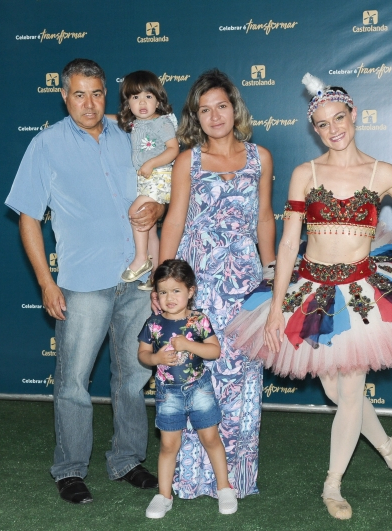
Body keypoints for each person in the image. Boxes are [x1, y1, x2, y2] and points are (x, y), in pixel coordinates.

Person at [227, 73, 392, 521]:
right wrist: (275, 310)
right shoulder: (306, 173)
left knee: (351, 391)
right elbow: (287, 244)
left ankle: (332, 484)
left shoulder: (383, 173)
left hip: (361, 294)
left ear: (354, 115)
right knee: (336, 391)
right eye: (322, 123)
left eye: (339, 118)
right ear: (314, 129)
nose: (333, 128)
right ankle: (388, 447)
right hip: (311, 291)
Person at [5, 58, 165, 504]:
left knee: (133, 376)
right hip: (82, 282)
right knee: (73, 382)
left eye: (96, 93)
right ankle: (70, 469)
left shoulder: (132, 134)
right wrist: (46, 282)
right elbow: (28, 218)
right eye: (79, 94)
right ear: (64, 96)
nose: (89, 104)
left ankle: (127, 460)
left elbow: (159, 186)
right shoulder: (46, 145)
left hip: (137, 278)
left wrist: (158, 207)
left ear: (105, 93)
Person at [158, 69, 276, 500]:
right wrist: (163, 282)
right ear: (196, 117)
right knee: (195, 371)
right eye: (204, 110)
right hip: (197, 279)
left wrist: (270, 274)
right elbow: (174, 220)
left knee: (241, 372)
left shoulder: (260, 157)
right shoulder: (186, 161)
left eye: (221, 106)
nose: (215, 116)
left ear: (234, 108)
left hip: (244, 280)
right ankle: (191, 477)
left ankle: (235, 479)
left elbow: (264, 218)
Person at [138, 259, 237, 518]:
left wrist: (188, 345)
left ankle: (224, 488)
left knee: (211, 438)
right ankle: (164, 495)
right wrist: (156, 358)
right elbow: (143, 354)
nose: (169, 297)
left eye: (176, 290)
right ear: (155, 294)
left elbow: (214, 351)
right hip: (168, 393)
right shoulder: (153, 324)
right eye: (163, 291)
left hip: (199, 389)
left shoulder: (199, 320)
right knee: (168, 445)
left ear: (190, 291)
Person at [116, 71, 180, 290]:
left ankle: (141, 258)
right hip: (146, 179)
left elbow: (173, 149)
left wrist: (152, 163)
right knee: (149, 228)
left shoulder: (162, 122)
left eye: (148, 96)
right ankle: (156, 276)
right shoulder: (136, 123)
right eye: (135, 97)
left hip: (160, 176)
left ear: (158, 101)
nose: (142, 102)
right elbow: (113, 119)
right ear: (128, 103)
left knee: (135, 212)